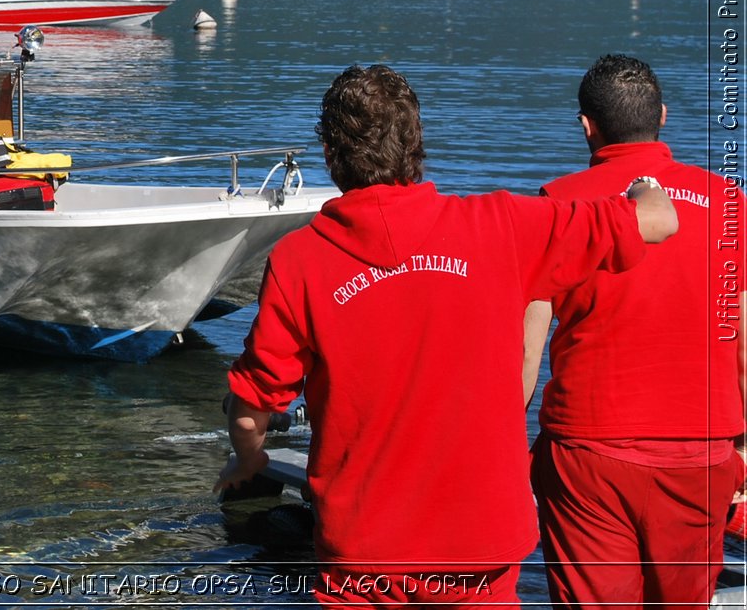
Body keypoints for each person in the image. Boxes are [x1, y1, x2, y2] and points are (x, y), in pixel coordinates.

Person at [216, 63, 678, 606]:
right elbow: (659, 220)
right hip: (479, 546)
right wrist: (644, 182)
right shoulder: (502, 225)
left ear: (330, 154)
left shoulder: (302, 260)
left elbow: (251, 408)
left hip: (366, 553)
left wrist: (251, 460)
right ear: (415, 144)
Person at [523, 54, 745, 609]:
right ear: (663, 116)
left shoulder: (558, 205)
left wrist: (499, 444)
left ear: (586, 125)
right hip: (701, 454)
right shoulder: (729, 206)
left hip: (587, 453)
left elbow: (524, 350)